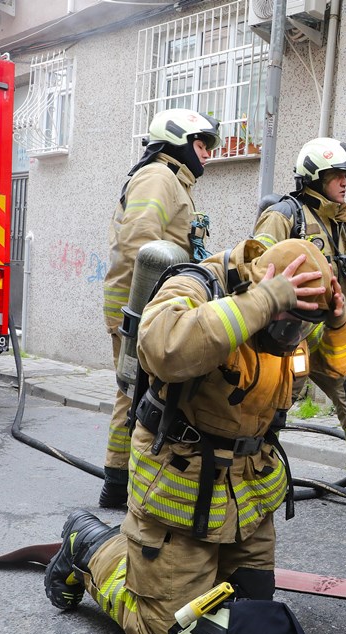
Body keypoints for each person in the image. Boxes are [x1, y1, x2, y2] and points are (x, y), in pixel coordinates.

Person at [45, 237, 346, 634]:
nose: (292, 335)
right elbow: (163, 347)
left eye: (302, 324)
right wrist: (264, 301)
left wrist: (338, 322)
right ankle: (87, 545)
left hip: (248, 495)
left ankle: (175, 572)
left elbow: (340, 367)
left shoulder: (296, 316)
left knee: (247, 621)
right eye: (287, 320)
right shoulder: (197, 285)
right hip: (183, 485)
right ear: (263, 280)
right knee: (165, 631)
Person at [252, 137, 346, 491]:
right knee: (278, 398)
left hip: (327, 329)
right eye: (338, 175)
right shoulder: (285, 215)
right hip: (290, 332)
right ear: (315, 177)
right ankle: (254, 463)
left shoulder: (339, 223)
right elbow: (257, 267)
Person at [99, 108, 221, 509]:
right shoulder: (158, 177)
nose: (206, 154)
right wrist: (151, 310)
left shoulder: (174, 182)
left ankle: (121, 479)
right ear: (178, 142)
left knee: (137, 392)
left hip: (152, 306)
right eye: (201, 145)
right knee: (137, 391)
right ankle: (122, 483)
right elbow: (140, 246)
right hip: (140, 307)